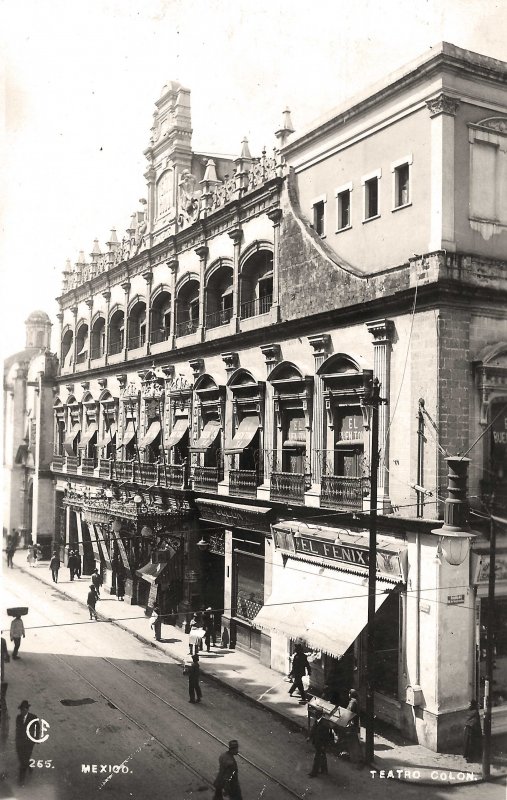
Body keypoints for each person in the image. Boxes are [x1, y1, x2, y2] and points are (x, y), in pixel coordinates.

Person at [15, 700, 38, 785]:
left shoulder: (33, 717)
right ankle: (29, 765)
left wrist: (36, 739)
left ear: (27, 709)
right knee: (22, 759)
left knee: (23, 762)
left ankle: (21, 780)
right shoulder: (18, 718)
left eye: (24, 709)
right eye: (21, 710)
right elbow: (17, 730)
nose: (23, 711)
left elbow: (37, 729)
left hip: (29, 743)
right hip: (20, 743)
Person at [308, 707, 329, 777]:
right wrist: (309, 737)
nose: (314, 715)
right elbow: (313, 729)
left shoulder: (324, 724)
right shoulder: (317, 720)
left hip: (321, 744)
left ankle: (314, 773)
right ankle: (324, 770)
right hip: (317, 742)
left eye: (316, 714)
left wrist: (323, 745)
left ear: (319, 715)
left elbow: (326, 736)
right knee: (322, 756)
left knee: (317, 758)